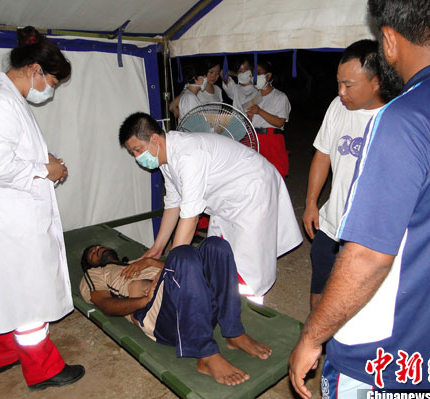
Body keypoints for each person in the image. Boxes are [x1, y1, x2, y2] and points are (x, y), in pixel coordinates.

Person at [289, 0, 430, 399]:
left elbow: (369, 256)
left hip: (383, 360)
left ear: (389, 39)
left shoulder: (406, 116)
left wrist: (312, 336)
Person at [0, 26, 84, 390]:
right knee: (28, 297)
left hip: (5, 218)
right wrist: (45, 170)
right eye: (52, 82)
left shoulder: (5, 97)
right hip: (11, 222)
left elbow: (12, 151)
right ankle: (43, 370)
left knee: (5, 293)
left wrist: (46, 160)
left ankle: (3, 354)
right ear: (34, 70)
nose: (51, 90)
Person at [118, 112, 302, 304]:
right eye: (133, 153)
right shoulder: (165, 158)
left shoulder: (188, 155)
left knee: (248, 264)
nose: (137, 157)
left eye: (138, 150)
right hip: (227, 198)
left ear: (155, 139)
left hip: (253, 190)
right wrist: (157, 248)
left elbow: (190, 217)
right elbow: (173, 204)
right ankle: (222, 298)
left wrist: (171, 266)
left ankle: (248, 307)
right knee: (218, 253)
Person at [79, 237, 272, 385]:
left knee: (216, 246)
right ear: (89, 264)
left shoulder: (138, 261)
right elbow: (106, 305)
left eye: (99, 246)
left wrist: (150, 262)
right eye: (93, 253)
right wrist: (143, 300)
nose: (98, 249)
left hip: (195, 302)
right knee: (183, 254)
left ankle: (234, 333)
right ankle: (205, 354)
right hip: (158, 315)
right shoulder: (95, 274)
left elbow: (180, 268)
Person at [303, 40, 386, 310]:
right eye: (338, 83)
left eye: (348, 85)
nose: (341, 92)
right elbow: (323, 154)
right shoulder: (338, 106)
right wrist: (311, 203)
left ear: (376, 81)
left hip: (368, 236)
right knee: (320, 293)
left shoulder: (395, 117)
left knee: (357, 305)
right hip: (331, 224)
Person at [245, 59, 292, 178]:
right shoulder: (253, 97)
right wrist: (249, 117)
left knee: (274, 175)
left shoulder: (279, 97)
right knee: (254, 175)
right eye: (253, 74)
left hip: (272, 139)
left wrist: (260, 111)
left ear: (268, 75)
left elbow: (280, 122)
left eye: (259, 73)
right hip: (254, 138)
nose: (256, 77)